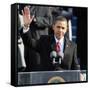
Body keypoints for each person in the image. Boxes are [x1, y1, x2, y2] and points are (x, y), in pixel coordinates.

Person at [20, 6, 80, 71]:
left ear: (66, 29)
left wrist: (79, 75)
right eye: (58, 27)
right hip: (47, 79)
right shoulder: (44, 41)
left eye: (63, 28)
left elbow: (75, 66)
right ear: (53, 27)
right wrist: (26, 26)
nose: (60, 30)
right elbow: (29, 42)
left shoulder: (72, 46)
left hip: (65, 79)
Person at [18, 5, 52, 71]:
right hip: (24, 42)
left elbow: (49, 21)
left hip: (38, 42)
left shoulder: (45, 6)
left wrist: (35, 19)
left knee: (37, 67)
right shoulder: (22, 6)